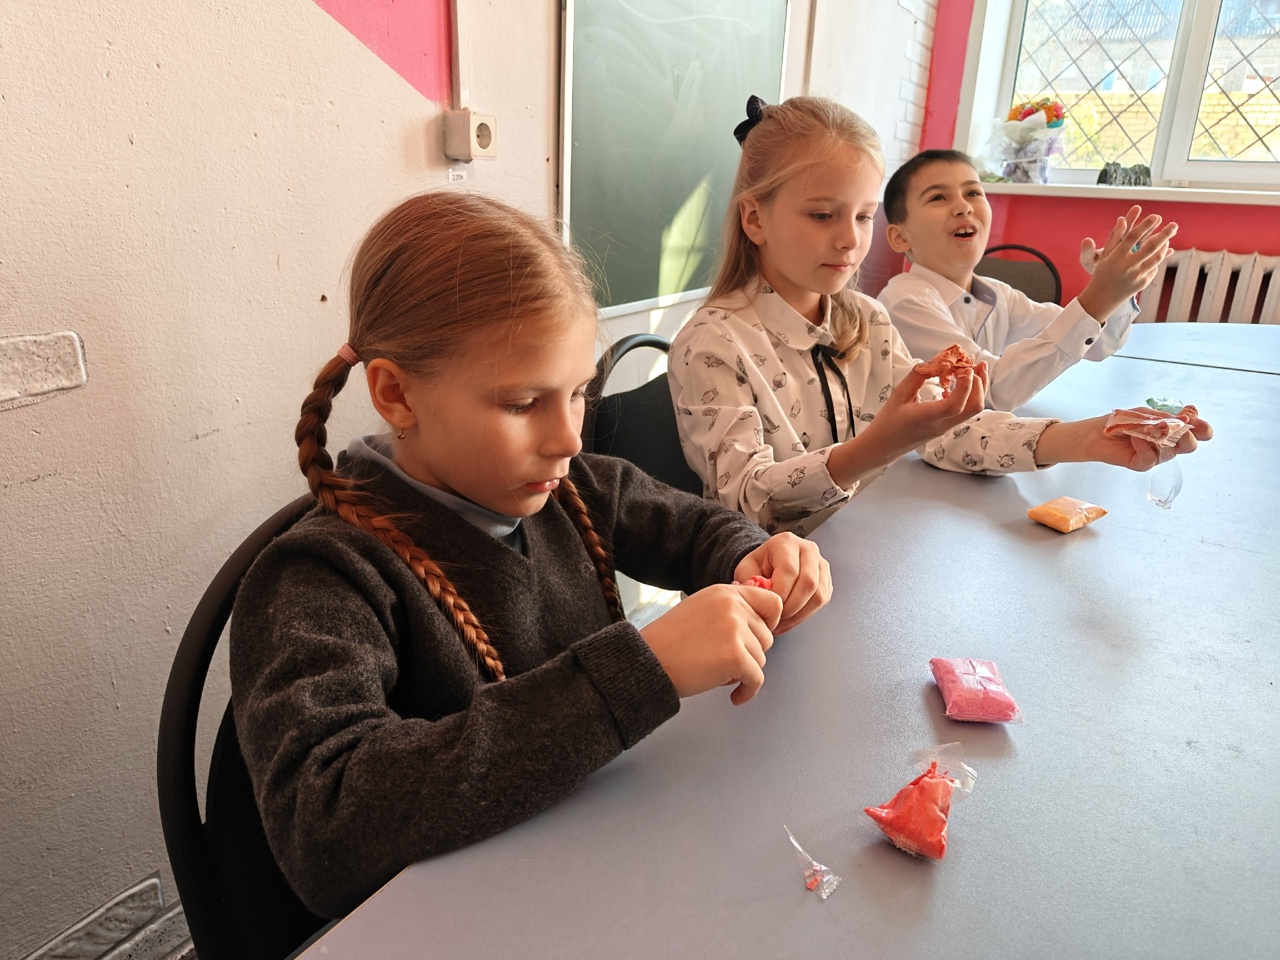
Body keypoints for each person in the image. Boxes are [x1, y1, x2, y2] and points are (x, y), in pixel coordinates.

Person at [224, 192, 832, 932]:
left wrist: (756, 556)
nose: (568, 438)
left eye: (577, 394)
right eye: (521, 404)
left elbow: (700, 532)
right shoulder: (318, 577)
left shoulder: (578, 490)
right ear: (396, 394)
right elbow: (327, 830)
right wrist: (643, 671)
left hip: (595, 877)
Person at [668, 96, 1210, 535]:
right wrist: (879, 445)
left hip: (877, 549)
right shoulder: (713, 344)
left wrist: (1084, 438)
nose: (850, 239)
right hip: (771, 594)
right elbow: (747, 502)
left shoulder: (867, 320)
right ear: (754, 219)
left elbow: (946, 431)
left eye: (863, 216)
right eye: (822, 215)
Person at [879, 148, 1177, 411]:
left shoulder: (998, 295)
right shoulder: (904, 302)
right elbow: (985, 390)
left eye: (973, 193)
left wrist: (1117, 292)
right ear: (900, 237)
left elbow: (1096, 345)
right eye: (938, 197)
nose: (964, 207)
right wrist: (1099, 295)